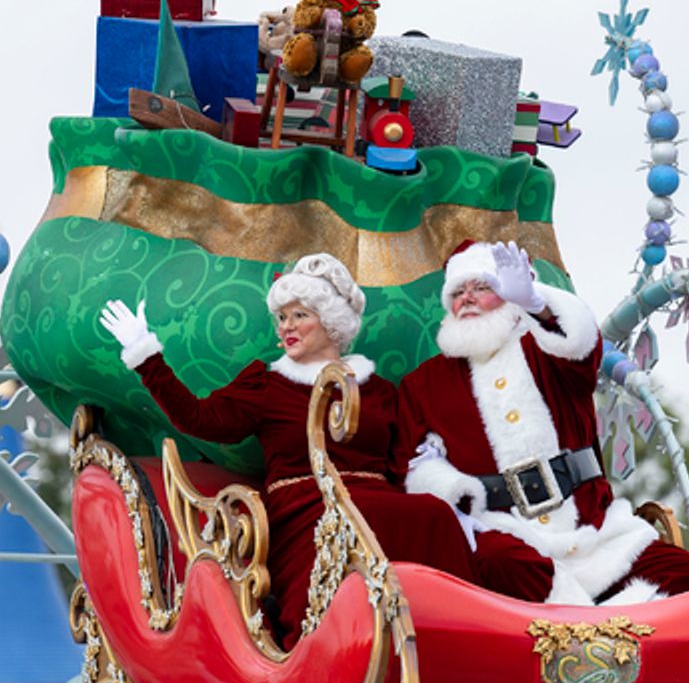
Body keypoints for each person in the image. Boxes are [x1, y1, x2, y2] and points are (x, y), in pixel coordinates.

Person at [98, 253, 486, 648]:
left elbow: (403, 458)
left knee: (434, 514)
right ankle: (326, 646)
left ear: (331, 321)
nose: (286, 327)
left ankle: (453, 637)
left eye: (299, 315)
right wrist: (147, 357)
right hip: (305, 505)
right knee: (359, 518)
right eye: (281, 318)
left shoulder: (379, 390)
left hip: (375, 498)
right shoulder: (268, 385)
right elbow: (200, 419)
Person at [395, 240, 689, 605]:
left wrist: (537, 304)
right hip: (507, 534)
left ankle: (602, 636)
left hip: (596, 532)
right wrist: (453, 488)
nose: (466, 298)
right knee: (500, 565)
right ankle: (598, 633)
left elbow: (580, 344)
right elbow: (412, 463)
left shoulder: (546, 348)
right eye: (458, 291)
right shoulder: (423, 384)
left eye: (482, 287)